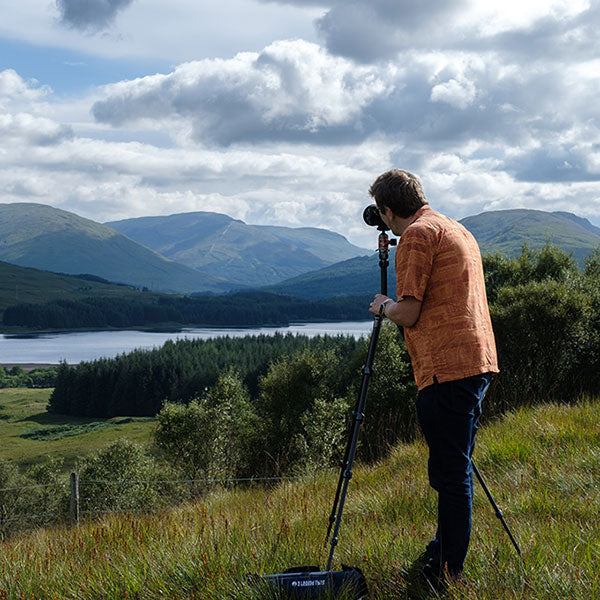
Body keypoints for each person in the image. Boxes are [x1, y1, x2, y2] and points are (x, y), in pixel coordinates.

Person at [367, 169, 499, 585]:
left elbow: (409, 312)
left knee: (450, 473)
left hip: (446, 369)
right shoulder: (453, 227)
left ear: (388, 210)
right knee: (455, 464)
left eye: (383, 212)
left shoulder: (418, 237)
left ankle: (446, 572)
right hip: (475, 362)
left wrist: (384, 306)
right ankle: (443, 551)